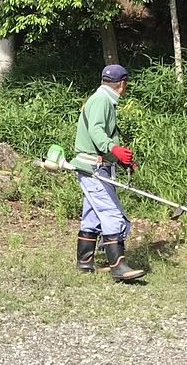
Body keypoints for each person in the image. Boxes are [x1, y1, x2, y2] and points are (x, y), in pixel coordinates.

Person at [72, 64, 145, 281]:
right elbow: (96, 131)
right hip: (92, 167)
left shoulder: (100, 98)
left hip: (94, 164)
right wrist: (114, 149)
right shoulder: (103, 100)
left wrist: (120, 159)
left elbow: (100, 135)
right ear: (123, 84)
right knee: (112, 213)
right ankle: (118, 267)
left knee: (92, 214)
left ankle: (84, 262)